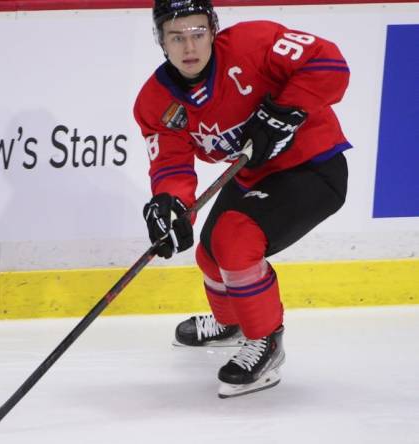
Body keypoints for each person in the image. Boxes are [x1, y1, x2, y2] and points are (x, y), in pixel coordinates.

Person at [134, 0, 350, 398]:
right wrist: (170, 203)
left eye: (198, 33)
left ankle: (266, 342)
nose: (189, 47)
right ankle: (231, 323)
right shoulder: (156, 102)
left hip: (313, 166)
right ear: (160, 41)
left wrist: (285, 110)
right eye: (176, 37)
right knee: (210, 254)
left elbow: (330, 65)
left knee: (235, 240)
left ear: (213, 29)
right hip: (252, 173)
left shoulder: (255, 43)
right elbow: (171, 164)